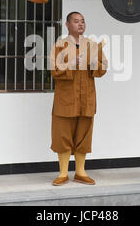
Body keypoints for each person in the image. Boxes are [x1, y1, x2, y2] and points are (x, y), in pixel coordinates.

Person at [49, 11, 108, 186]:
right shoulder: (59, 46)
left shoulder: (92, 46)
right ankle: (63, 173)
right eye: (76, 21)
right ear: (67, 25)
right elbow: (54, 70)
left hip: (86, 99)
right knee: (62, 135)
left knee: (84, 135)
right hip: (65, 100)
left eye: (83, 21)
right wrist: (72, 64)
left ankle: (80, 172)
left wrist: (92, 64)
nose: (80, 24)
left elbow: (103, 68)